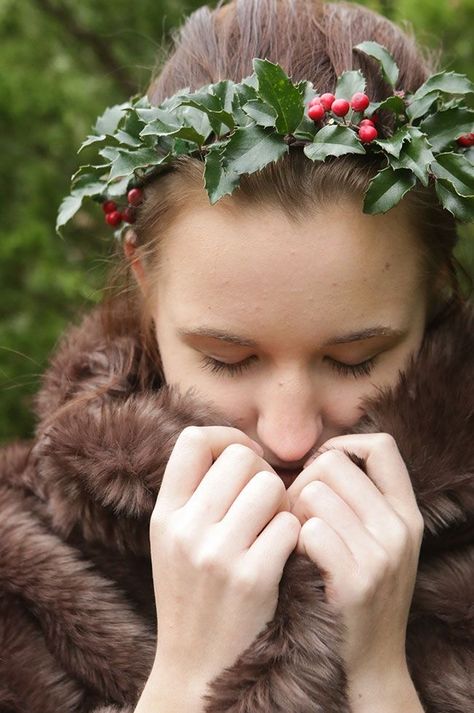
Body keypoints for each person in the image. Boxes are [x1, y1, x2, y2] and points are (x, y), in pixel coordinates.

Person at [1, 0, 472, 712]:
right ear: (145, 281)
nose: (288, 435)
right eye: (227, 358)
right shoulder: (18, 577)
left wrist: (380, 680)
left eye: (354, 359)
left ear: (434, 286)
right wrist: (185, 683)